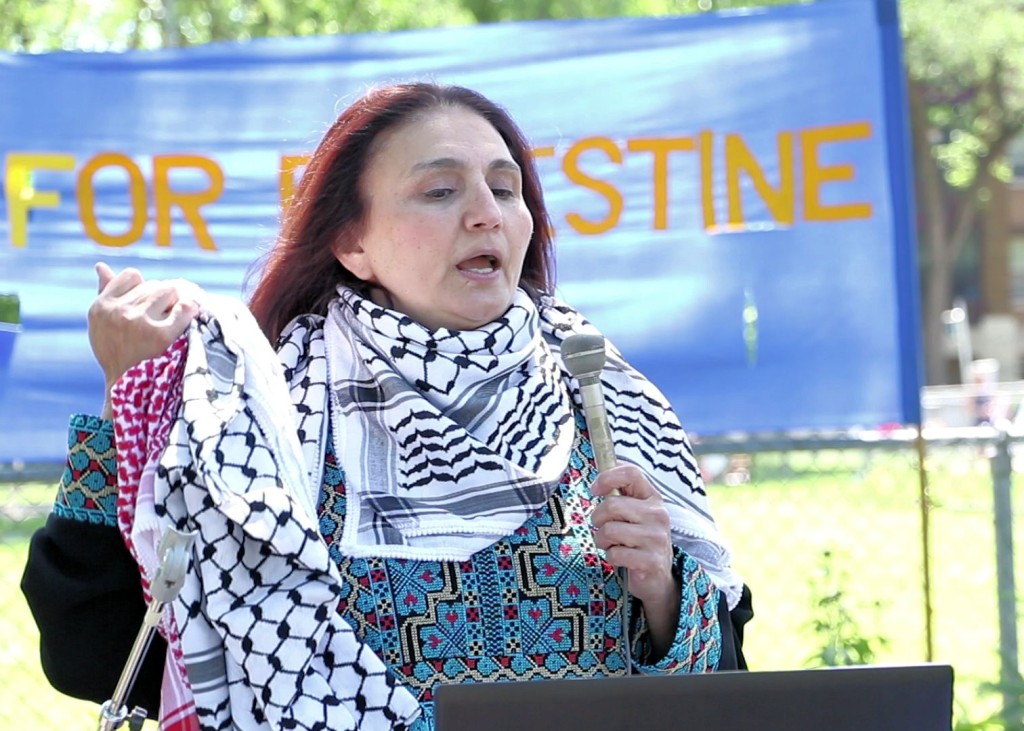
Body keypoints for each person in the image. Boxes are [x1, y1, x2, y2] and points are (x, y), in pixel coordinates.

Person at [21, 82, 752, 731]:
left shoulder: (607, 394)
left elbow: (725, 677)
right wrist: (134, 404)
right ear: (351, 241)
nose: (486, 215)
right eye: (440, 190)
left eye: (505, 188)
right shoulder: (261, 402)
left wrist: (662, 591)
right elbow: (92, 651)